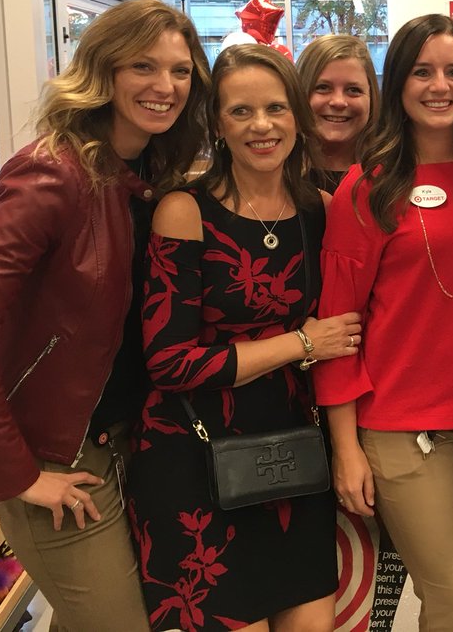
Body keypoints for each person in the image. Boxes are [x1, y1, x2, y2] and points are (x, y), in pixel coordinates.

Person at [0, 0, 211, 631]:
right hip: (59, 459)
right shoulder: (52, 174)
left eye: (180, 71)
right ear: (103, 70)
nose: (165, 86)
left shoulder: (145, 171)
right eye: (143, 66)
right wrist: (18, 474)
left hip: (124, 441)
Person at [317, 14, 453, 632]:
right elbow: (338, 326)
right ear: (399, 85)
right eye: (422, 71)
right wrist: (345, 449)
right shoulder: (366, 190)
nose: (439, 85)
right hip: (398, 426)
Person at [129, 44, 362, 631]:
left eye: (276, 108)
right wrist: (303, 344)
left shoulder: (323, 211)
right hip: (194, 463)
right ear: (216, 122)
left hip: (292, 459)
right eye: (241, 112)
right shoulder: (184, 212)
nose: (262, 126)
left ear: (297, 117)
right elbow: (171, 361)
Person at [297, 33, 379, 193]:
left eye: (353, 90)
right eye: (323, 87)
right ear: (300, 93)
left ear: (372, 97)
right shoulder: (276, 175)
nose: (338, 102)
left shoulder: (391, 176)